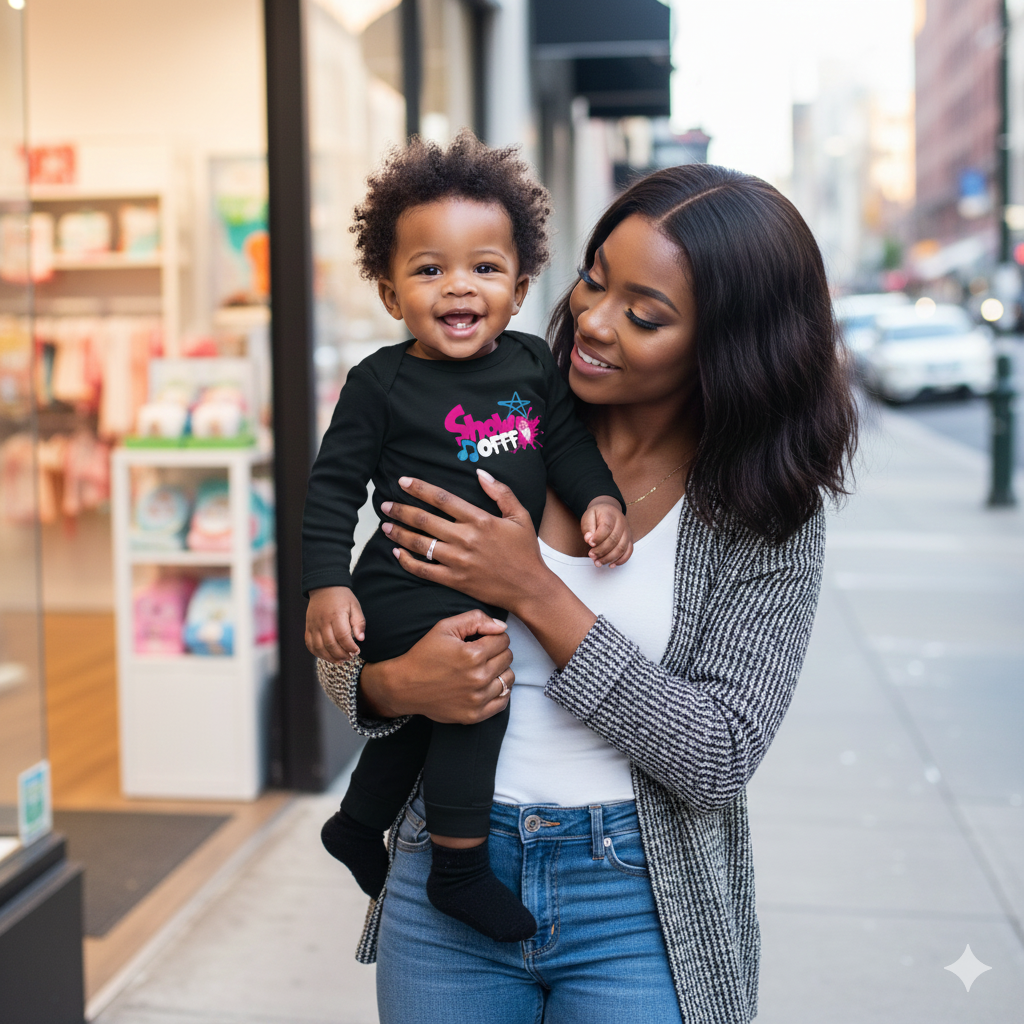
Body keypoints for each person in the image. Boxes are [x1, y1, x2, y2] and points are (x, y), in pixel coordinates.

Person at [319, 163, 857, 1024]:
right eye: (593, 281)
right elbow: (374, 600)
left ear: (729, 342)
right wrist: (387, 685)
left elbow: (718, 755)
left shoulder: (766, 511)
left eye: (644, 315)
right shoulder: (499, 411)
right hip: (449, 869)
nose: (593, 324)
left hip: (642, 903)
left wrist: (535, 591)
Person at [302, 131, 631, 944]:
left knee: (426, 710)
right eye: (429, 269)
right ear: (389, 292)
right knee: (476, 692)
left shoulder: (529, 365)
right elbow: (332, 487)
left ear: (520, 289)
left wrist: (601, 502)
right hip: (407, 580)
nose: (459, 287)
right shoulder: (379, 383)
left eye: (484, 268)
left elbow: (566, 447)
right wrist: (325, 583)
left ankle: (357, 822)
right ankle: (457, 869)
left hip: (481, 577)